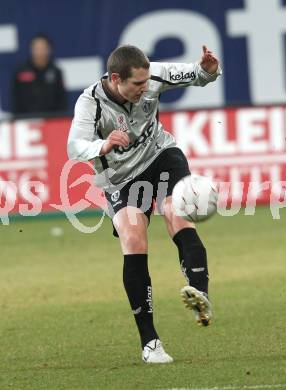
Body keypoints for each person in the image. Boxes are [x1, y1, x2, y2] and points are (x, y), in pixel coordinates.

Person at [67, 44, 221, 364]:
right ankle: (150, 342)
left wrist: (207, 68)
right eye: (137, 84)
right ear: (115, 79)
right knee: (133, 236)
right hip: (121, 178)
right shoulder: (91, 103)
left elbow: (196, 75)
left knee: (177, 212)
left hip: (160, 155)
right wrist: (102, 144)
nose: (144, 88)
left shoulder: (150, 75)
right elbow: (75, 146)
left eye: (146, 82)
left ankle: (199, 291)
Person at [12, 33, 67, 116]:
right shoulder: (20, 72)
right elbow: (15, 100)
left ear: (49, 50)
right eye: (37, 48)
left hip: (51, 121)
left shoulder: (56, 72)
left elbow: (62, 100)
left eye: (43, 48)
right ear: (31, 50)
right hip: (26, 121)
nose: (40, 52)